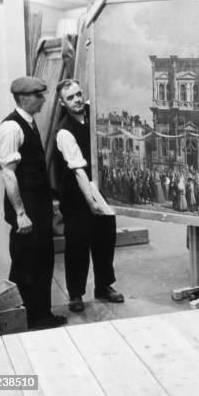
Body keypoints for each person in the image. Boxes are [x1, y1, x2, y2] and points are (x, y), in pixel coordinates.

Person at [0, 77, 67, 329]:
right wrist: (20, 213)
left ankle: (40, 315)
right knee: (26, 264)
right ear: (23, 98)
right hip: (27, 211)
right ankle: (22, 319)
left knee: (41, 261)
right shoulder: (11, 128)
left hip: (38, 208)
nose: (43, 99)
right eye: (38, 95)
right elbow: (8, 173)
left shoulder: (29, 122)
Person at [54, 79, 124, 313]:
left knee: (105, 240)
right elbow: (79, 172)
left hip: (101, 193)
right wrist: (91, 202)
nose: (76, 100)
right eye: (70, 98)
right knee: (78, 245)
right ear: (62, 103)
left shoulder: (93, 116)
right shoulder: (64, 132)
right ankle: (75, 294)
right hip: (76, 197)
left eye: (78, 95)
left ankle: (104, 286)